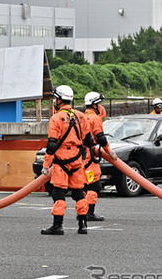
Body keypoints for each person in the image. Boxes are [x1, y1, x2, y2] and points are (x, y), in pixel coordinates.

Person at [41, 85, 94, 235]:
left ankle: (58, 226)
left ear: (58, 100)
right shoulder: (81, 116)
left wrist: (46, 166)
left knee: (59, 193)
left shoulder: (56, 118)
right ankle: (83, 225)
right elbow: (89, 140)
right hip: (77, 161)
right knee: (79, 192)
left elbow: (51, 145)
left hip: (61, 161)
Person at [84, 92, 117, 221]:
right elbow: (101, 138)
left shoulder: (81, 117)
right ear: (94, 104)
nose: (101, 106)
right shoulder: (94, 118)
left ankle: (82, 212)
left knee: (83, 185)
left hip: (79, 156)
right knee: (94, 185)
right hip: (89, 157)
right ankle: (89, 213)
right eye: (99, 103)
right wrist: (110, 152)